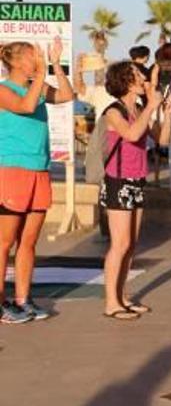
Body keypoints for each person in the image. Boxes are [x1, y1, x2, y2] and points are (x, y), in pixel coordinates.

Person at [0, 39, 74, 324]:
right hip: (11, 170)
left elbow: (67, 95)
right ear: (17, 62)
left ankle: (23, 298)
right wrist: (42, 74)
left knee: (28, 241)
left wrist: (55, 64)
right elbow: (26, 106)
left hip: (39, 169)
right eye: (34, 56)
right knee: (4, 241)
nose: (37, 60)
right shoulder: (5, 90)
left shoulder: (39, 84)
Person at [100, 61, 171, 320]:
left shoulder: (140, 108)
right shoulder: (113, 111)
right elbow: (131, 134)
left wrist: (166, 111)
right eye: (138, 75)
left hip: (136, 179)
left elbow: (161, 140)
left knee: (131, 244)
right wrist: (152, 105)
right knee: (119, 244)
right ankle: (111, 302)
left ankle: (123, 295)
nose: (143, 79)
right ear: (127, 81)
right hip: (118, 180)